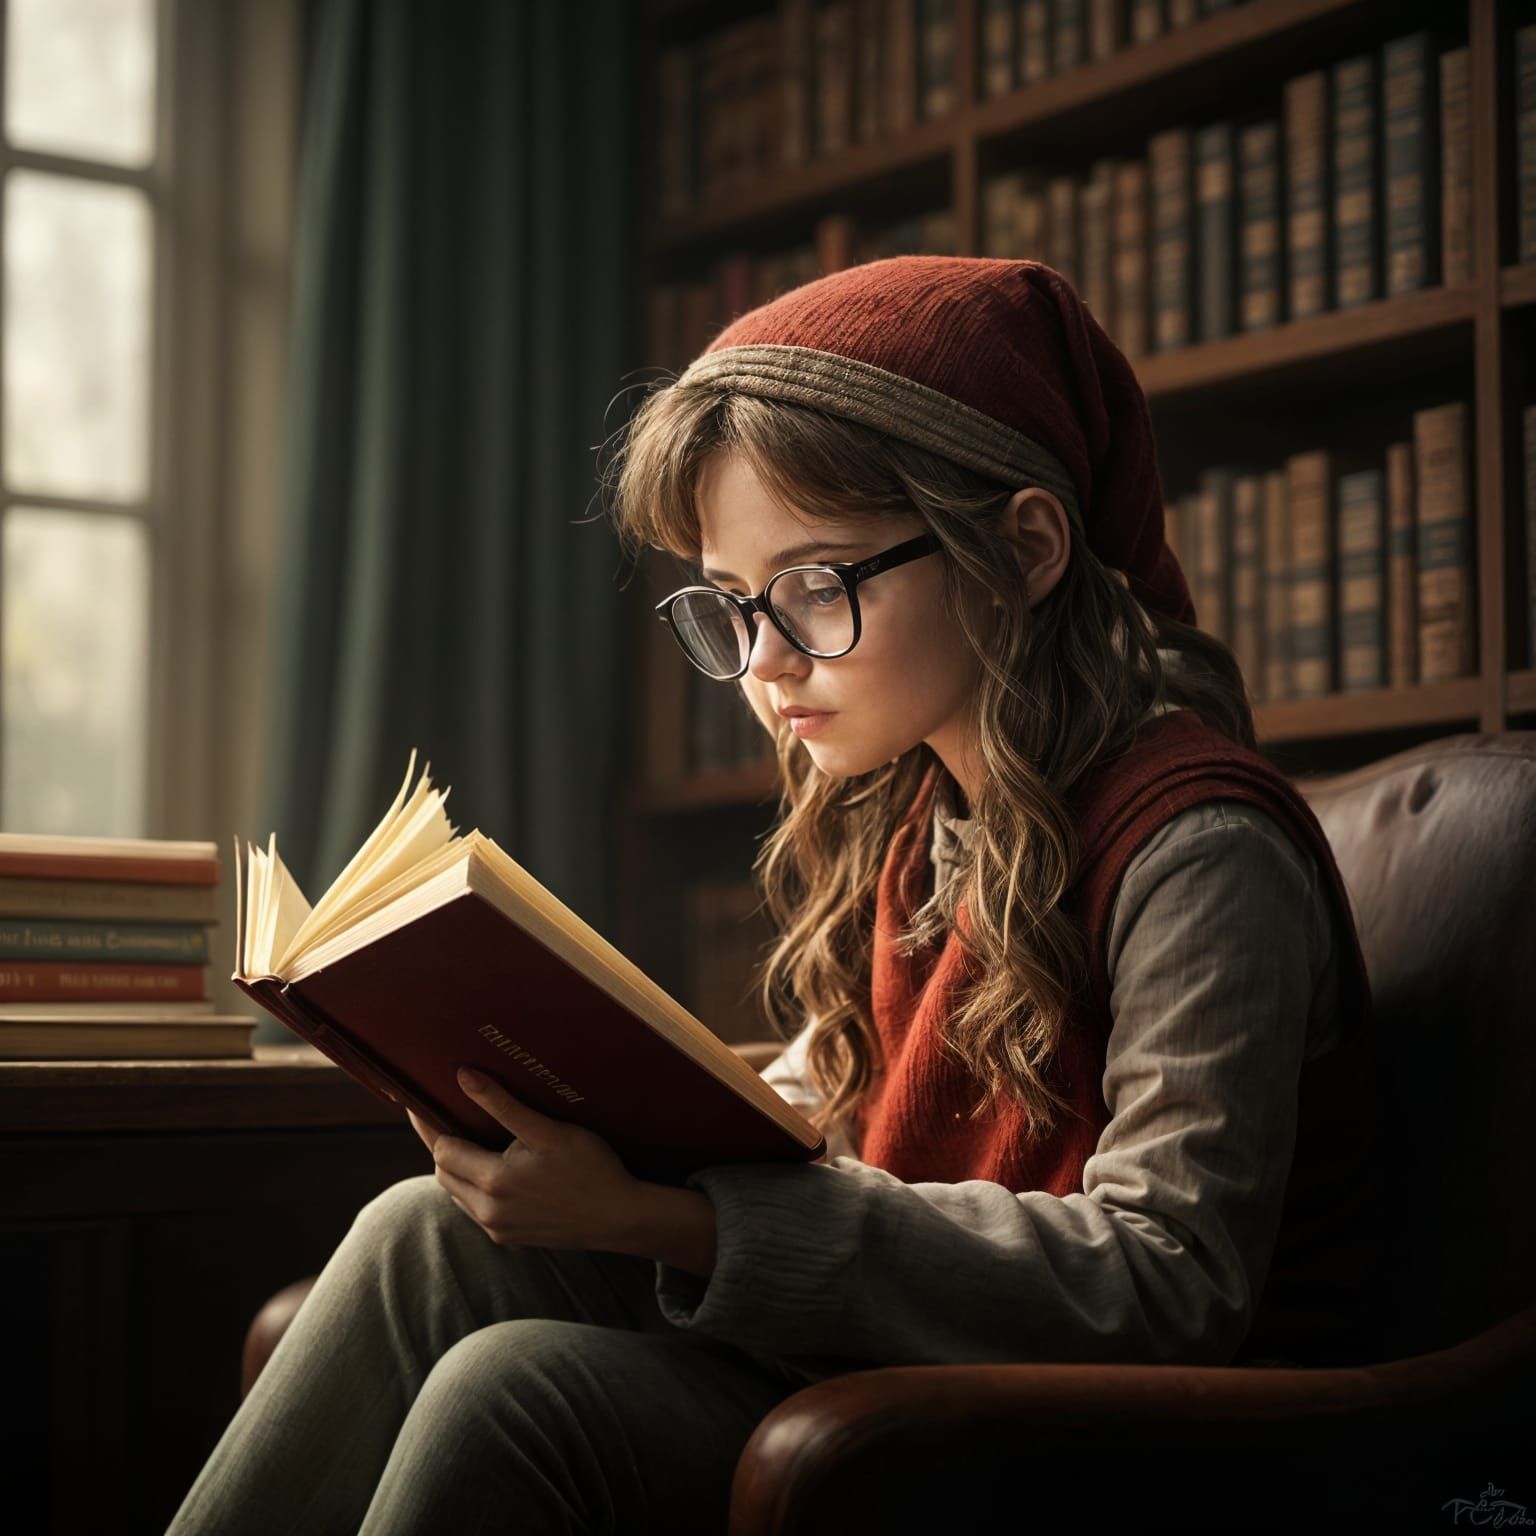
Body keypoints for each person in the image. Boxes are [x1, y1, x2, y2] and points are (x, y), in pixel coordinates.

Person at [165, 256, 1382, 1535]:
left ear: (1024, 549)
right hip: (901, 1366)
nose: (764, 664)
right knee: (422, 1234)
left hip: (1100, 1441)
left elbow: (1169, 1282)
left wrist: (683, 1222)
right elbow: (839, 1113)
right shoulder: (920, 815)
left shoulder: (1198, 846)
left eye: (816, 587)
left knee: (508, 1393)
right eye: (735, 606)